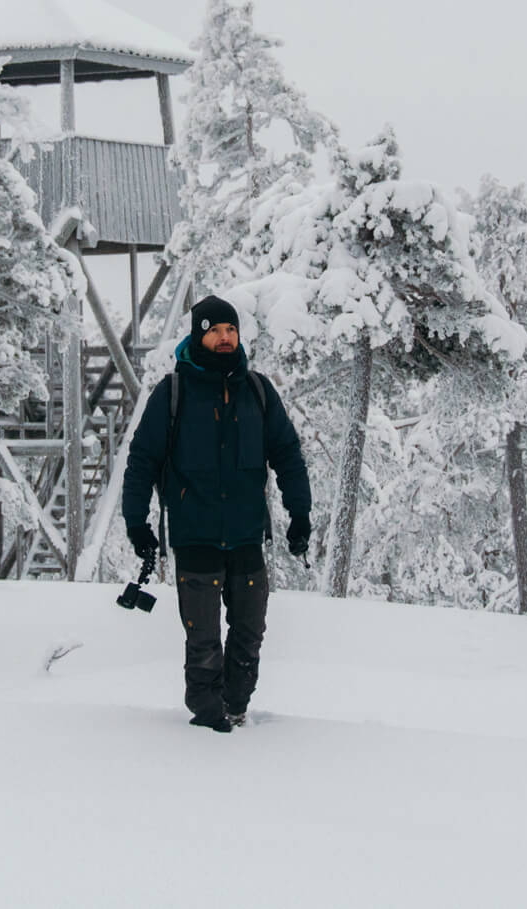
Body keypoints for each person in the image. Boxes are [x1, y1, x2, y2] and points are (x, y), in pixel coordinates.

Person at [123, 295, 311, 732]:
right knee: (203, 642)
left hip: (247, 538)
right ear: (198, 335)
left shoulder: (258, 391)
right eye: (215, 331)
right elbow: (142, 460)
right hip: (195, 538)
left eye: (230, 331)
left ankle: (236, 708)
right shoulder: (173, 393)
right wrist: (137, 523)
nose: (224, 338)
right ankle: (209, 720)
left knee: (249, 638)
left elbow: (288, 454)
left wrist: (299, 513)